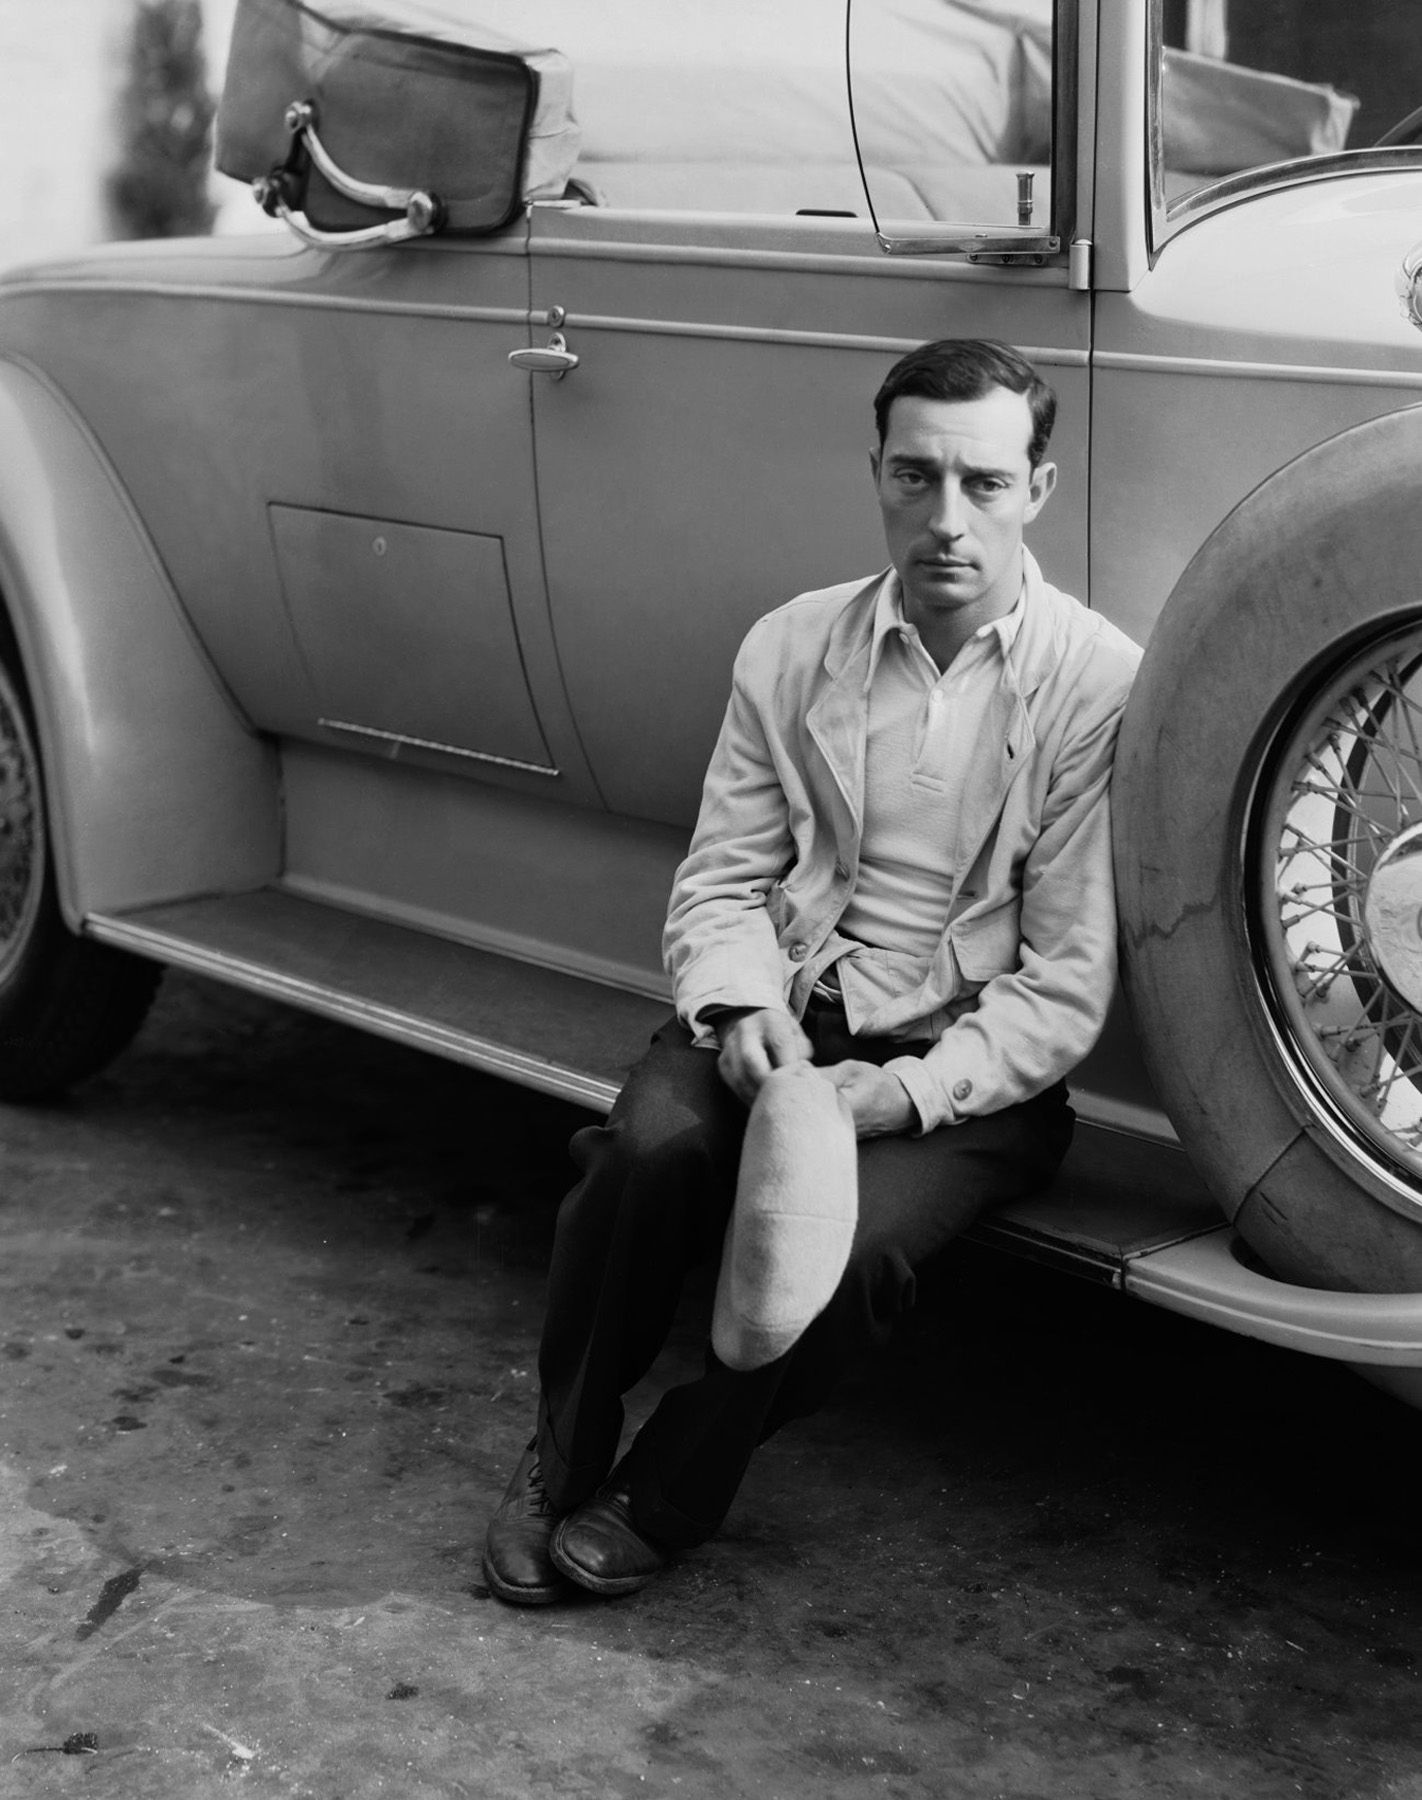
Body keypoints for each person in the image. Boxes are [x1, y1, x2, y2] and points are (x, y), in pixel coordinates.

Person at [482, 338, 1141, 1604]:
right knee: (641, 1157)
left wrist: (900, 1095)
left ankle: (667, 1490)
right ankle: (560, 1456)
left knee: (851, 1260)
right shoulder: (792, 646)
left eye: (985, 484)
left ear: (1039, 489)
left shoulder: (1100, 685)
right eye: (915, 476)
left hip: (961, 1069)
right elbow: (723, 878)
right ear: (877, 472)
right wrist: (740, 1012)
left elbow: (1065, 980)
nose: (946, 519)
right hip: (789, 1012)